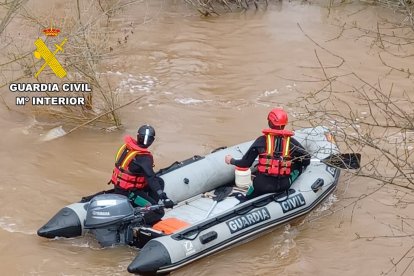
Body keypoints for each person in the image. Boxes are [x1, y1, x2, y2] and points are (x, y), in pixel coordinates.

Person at [225, 108, 311, 200]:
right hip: (283, 186)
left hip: (261, 186)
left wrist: (231, 160)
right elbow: (306, 160)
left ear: (270, 122)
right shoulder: (291, 143)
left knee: (246, 198)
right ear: (284, 124)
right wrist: (291, 161)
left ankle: (245, 201)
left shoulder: (261, 141)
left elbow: (245, 164)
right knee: (298, 166)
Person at [110, 124, 174, 225]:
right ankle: (137, 222)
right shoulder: (143, 158)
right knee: (159, 211)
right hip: (129, 193)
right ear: (152, 140)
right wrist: (164, 197)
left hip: (120, 186)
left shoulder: (128, 147)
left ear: (138, 136)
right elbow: (150, 178)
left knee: (160, 182)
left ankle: (149, 209)